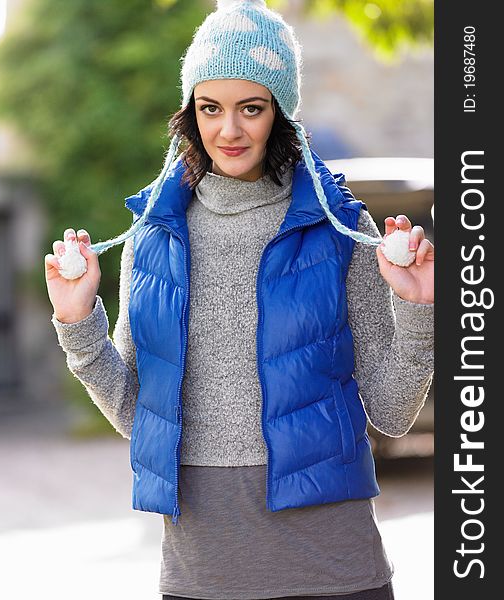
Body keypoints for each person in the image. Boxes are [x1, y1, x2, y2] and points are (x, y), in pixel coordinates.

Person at [45, 1, 434, 599]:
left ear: (280, 112)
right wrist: (78, 324)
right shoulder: (155, 235)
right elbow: (137, 415)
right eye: (210, 108)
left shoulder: (337, 229)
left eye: (251, 108)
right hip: (202, 577)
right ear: (190, 112)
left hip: (333, 575)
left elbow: (391, 413)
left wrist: (415, 310)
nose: (229, 130)